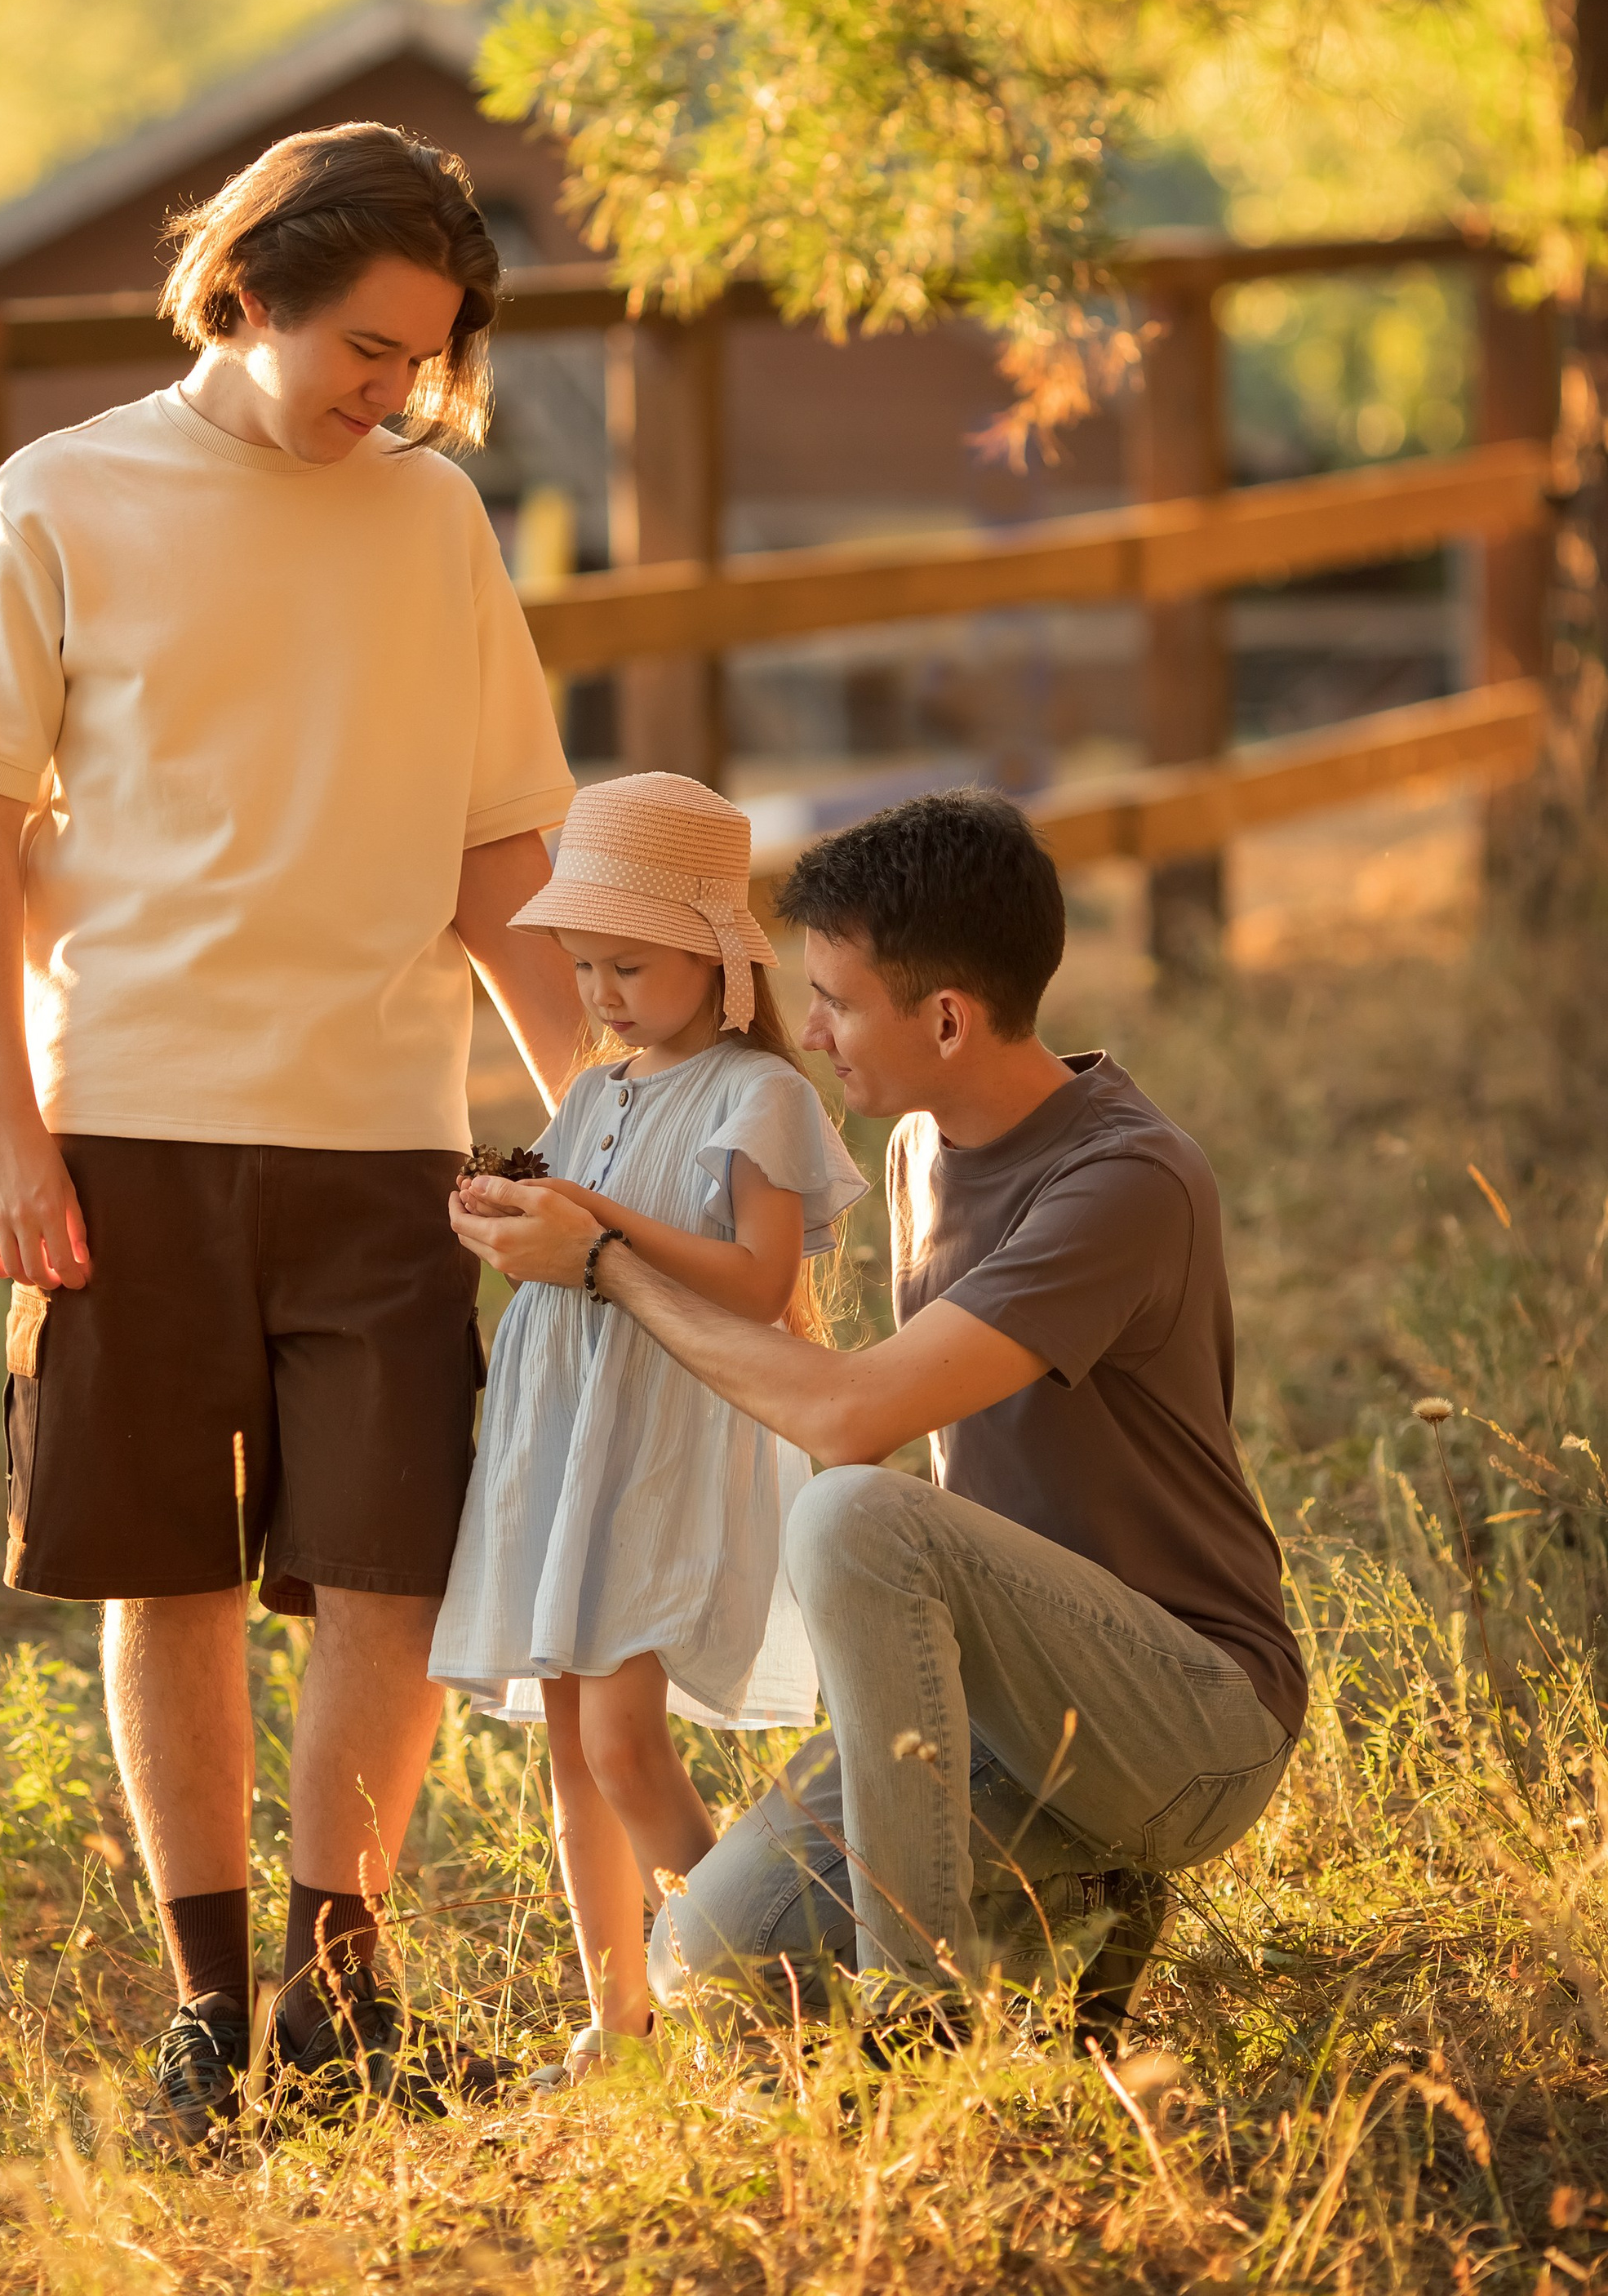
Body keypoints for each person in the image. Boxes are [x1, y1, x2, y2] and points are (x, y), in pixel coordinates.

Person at [0, 123, 584, 2141]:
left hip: (385, 1131)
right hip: (124, 1117)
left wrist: (604, 1121)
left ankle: (339, 1998)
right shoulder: (61, 498)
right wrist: (2, 1121)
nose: (399, 393)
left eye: (428, 359)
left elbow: (495, 846)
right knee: (164, 1570)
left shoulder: (437, 524)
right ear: (251, 287)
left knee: (394, 1565)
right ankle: (210, 2018)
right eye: (367, 347)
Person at [451, 788, 1304, 2042]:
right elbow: (828, 1380)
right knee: (710, 1967)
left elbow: (851, 1428)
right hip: (1007, 1712)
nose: (808, 1028)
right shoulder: (917, 1151)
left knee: (854, 1512)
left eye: (837, 1001)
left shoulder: (1124, 1182)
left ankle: (923, 2013)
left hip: (1187, 1718)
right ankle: (1075, 1896)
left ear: (947, 1018)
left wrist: (604, 1264)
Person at [433, 775, 864, 2078]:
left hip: (663, 1433)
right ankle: (622, 2018)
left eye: (628, 964)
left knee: (623, 1737)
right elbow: (570, 1246)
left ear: (718, 959)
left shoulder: (757, 1098)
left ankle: (784, 1995)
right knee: (573, 1740)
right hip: (569, 1434)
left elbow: (759, 1283)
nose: (601, 991)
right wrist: (512, 1223)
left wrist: (596, 1228)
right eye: (582, 965)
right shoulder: (596, 1087)